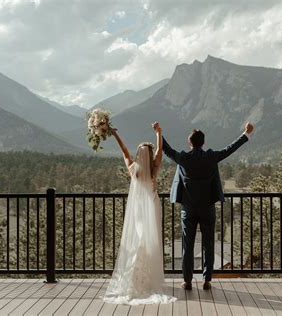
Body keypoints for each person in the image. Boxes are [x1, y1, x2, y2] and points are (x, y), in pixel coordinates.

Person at [162, 122, 254, 290]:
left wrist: (158, 133)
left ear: (190, 142)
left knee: (187, 246)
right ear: (203, 143)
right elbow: (229, 149)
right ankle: (207, 280)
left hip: (188, 209)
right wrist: (245, 134)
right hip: (207, 208)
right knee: (208, 244)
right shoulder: (211, 157)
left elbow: (166, 150)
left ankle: (187, 281)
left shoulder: (183, 158)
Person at [104, 122, 176, 305]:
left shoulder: (133, 169)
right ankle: (148, 279)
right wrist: (159, 132)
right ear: (150, 156)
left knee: (137, 241)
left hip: (137, 212)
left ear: (138, 156)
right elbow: (160, 148)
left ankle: (134, 278)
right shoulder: (154, 170)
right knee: (149, 242)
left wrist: (115, 134)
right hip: (151, 209)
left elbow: (124, 150)